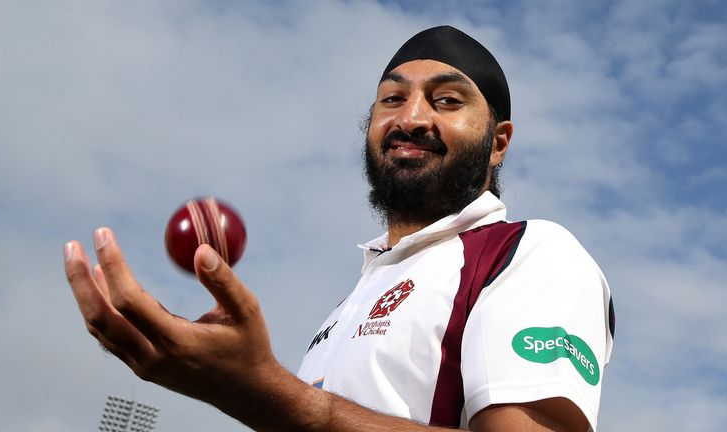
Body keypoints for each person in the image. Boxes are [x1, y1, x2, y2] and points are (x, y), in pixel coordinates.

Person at [64, 26, 614, 431]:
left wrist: (265, 389)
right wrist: (233, 377)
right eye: (392, 99)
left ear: (498, 142)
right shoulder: (345, 308)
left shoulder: (530, 253)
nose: (411, 118)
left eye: (446, 101)